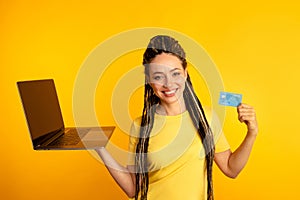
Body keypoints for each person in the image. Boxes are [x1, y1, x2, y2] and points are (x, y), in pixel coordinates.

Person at [95, 35, 258, 200]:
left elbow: (231, 169)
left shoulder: (205, 117)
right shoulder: (140, 126)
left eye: (175, 74)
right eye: (158, 77)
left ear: (185, 73)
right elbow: (133, 189)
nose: (168, 83)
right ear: (149, 80)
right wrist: (100, 148)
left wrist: (251, 133)